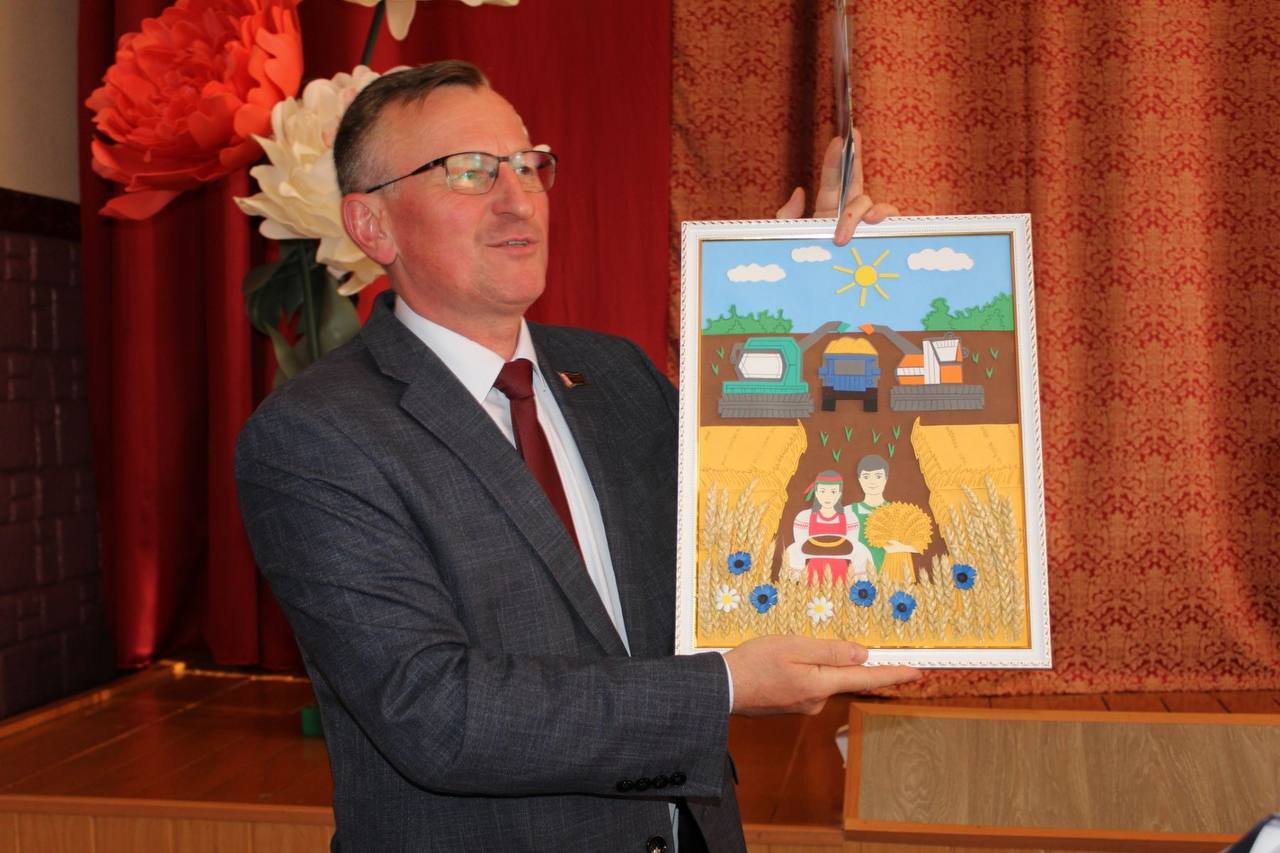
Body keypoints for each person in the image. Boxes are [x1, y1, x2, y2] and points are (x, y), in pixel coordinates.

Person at [235, 60, 919, 853]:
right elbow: (438, 712)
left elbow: (760, 529)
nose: (518, 198)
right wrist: (726, 685)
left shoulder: (615, 375)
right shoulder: (317, 435)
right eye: (470, 172)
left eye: (529, 165)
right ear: (371, 225)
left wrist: (822, 292)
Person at [784, 470, 874, 587]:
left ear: (839, 493)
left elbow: (851, 545)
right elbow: (801, 546)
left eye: (833, 492)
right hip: (812, 569)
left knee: (862, 551)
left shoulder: (850, 518)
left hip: (842, 570)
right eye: (822, 491)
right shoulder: (804, 517)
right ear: (816, 492)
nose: (827, 496)